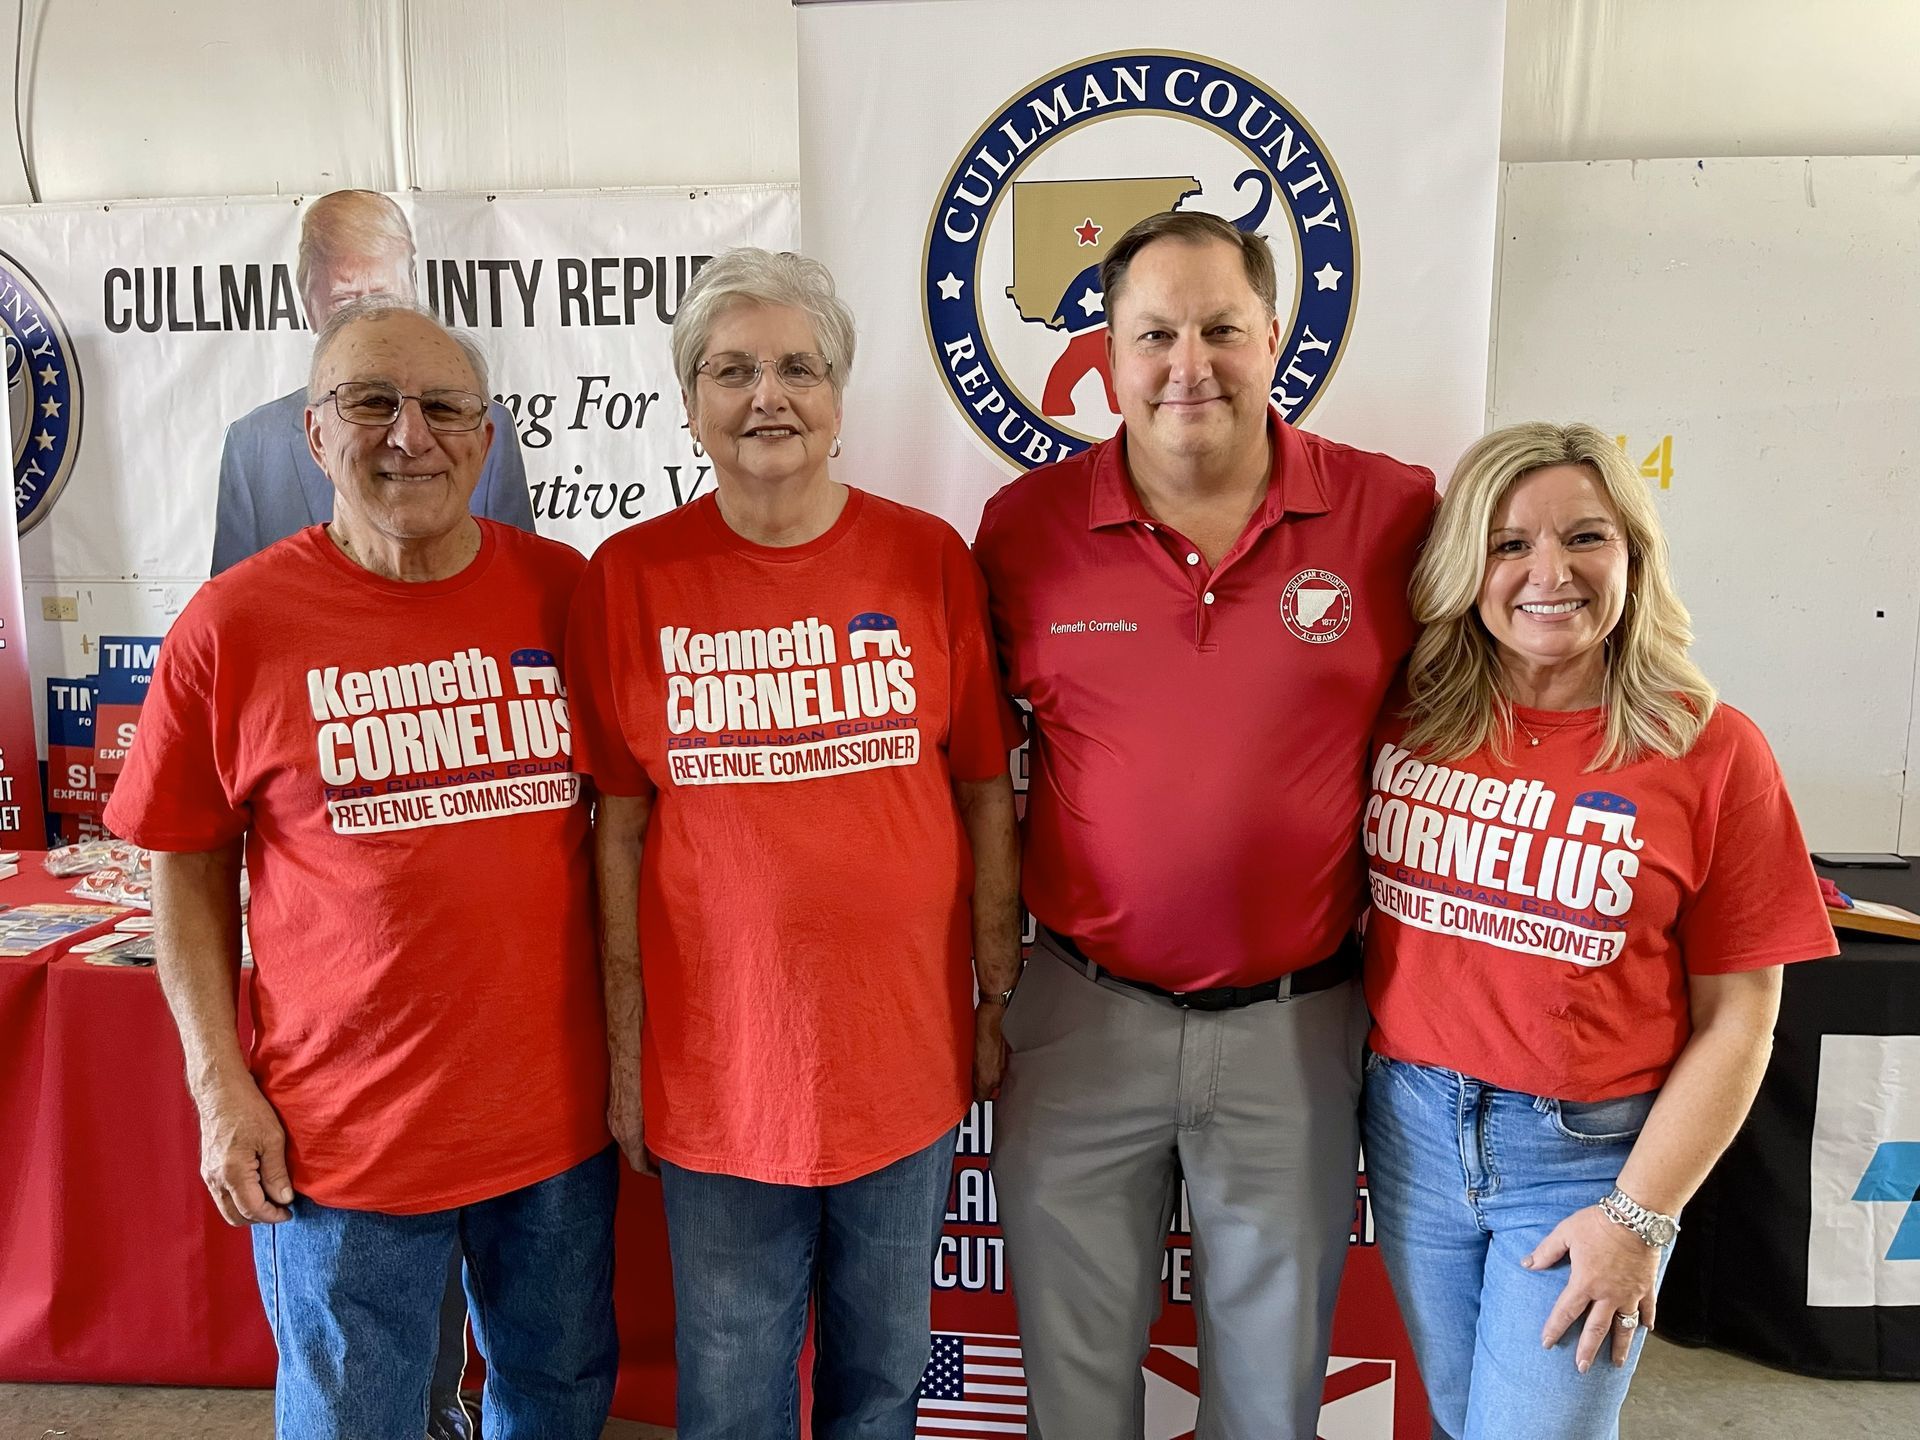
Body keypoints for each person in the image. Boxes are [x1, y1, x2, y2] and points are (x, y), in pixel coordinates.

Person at [104, 297, 617, 1440]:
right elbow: (182, 865)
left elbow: (632, 831)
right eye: (371, 402)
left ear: (486, 439)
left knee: (557, 1401)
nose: (410, 435)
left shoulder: (567, 593)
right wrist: (215, 1082)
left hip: (553, 1125)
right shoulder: (233, 625)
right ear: (313, 434)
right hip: (336, 1142)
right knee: (356, 1420)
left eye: (444, 407)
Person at [972, 209, 1436, 1440]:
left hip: (1297, 1025)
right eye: (1155, 334)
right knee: (1072, 1398)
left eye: (1222, 329)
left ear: (1275, 336)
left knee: (1273, 1400)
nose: (1191, 364)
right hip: (1078, 1015)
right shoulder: (1022, 531)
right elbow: (966, 770)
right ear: (1107, 357)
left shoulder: (1392, 516)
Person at [566, 246, 1023, 1440]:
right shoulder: (628, 580)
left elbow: (984, 788)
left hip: (902, 1061)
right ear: (691, 402)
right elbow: (618, 830)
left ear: (838, 399)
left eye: (797, 369)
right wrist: (627, 1050)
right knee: (732, 1393)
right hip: (721, 1076)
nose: (767, 396)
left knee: (882, 1379)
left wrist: (994, 998)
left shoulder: (927, 559)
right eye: (732, 370)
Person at [1359, 421, 1836, 1439]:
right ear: (1464, 567)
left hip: (1586, 1157)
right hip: (1410, 1132)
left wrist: (1639, 1219)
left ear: (1633, 554)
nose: (1550, 572)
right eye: (1508, 543)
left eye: (1585, 537)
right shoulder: (1409, 712)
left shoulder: (1713, 750)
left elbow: (1742, 1022)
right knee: (1457, 1419)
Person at [212, 188, 534, 576]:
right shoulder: (253, 444)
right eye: (345, 299)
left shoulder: (482, 426)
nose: (366, 319)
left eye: (382, 296)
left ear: (413, 285)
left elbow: (519, 579)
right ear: (308, 301)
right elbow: (234, 606)